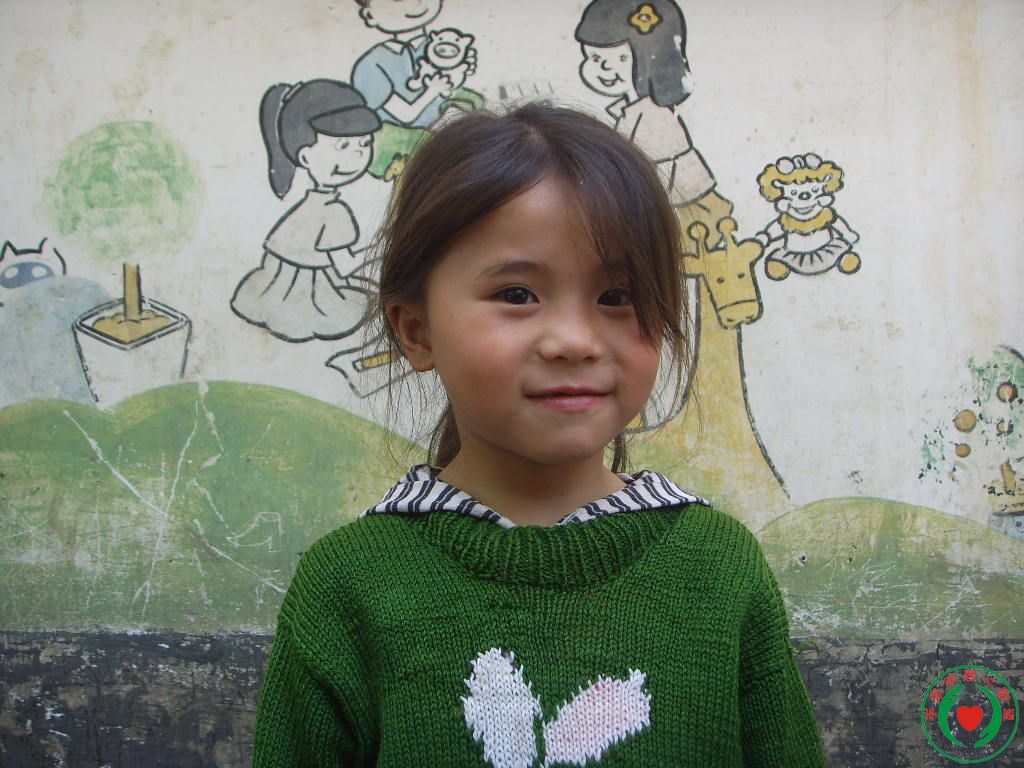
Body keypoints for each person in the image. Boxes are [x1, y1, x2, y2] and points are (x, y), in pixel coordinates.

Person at [252, 101, 828, 766]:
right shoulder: (349, 585)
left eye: (617, 297)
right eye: (517, 295)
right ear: (416, 330)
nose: (574, 340)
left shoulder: (718, 569)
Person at [575, 0, 734, 255]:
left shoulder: (652, 117)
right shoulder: (631, 113)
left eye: (621, 58)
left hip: (685, 214)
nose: (605, 68)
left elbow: (640, 184)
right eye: (595, 58)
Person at [230, 79, 380, 342]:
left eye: (364, 144)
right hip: (311, 297)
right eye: (343, 146)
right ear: (305, 157)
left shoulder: (309, 206)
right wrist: (384, 251)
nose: (358, 154)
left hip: (278, 290)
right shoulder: (333, 212)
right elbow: (345, 266)